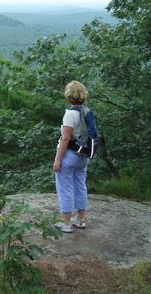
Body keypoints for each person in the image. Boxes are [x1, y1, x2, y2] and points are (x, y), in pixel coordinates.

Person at [53, 80, 89, 233]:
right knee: (80, 185)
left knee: (65, 187)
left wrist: (58, 159)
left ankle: (66, 223)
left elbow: (66, 139)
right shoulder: (87, 112)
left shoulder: (70, 114)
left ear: (69, 97)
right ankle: (80, 220)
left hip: (70, 155)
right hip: (83, 155)